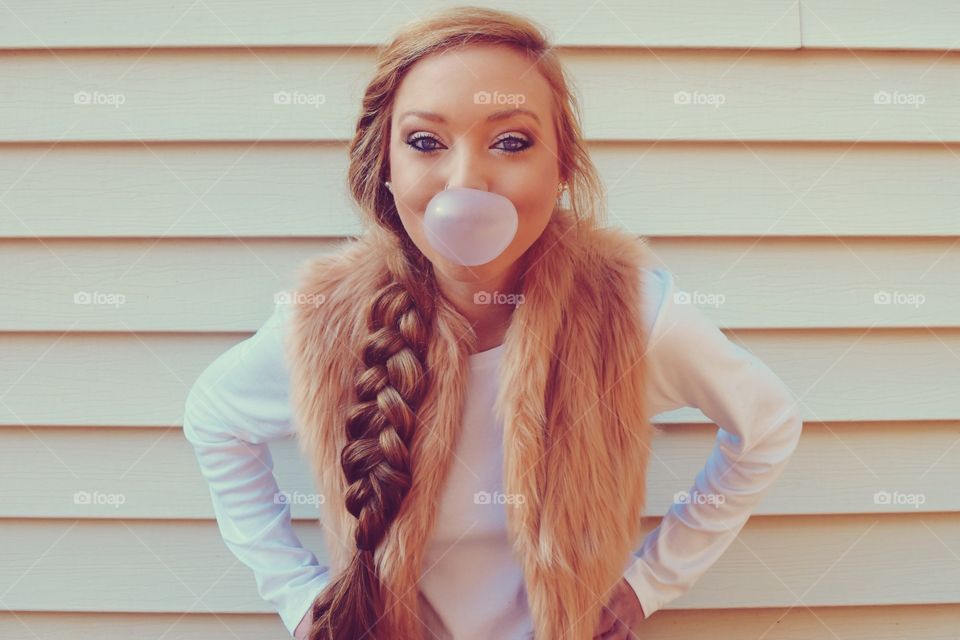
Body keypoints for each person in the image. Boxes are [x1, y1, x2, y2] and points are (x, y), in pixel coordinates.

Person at [183, 6, 803, 640]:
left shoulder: (629, 314)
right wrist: (295, 591)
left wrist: (650, 585)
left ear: (562, 167)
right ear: (387, 168)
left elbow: (767, 427)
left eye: (510, 142)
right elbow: (213, 419)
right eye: (425, 142)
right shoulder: (326, 325)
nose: (467, 181)